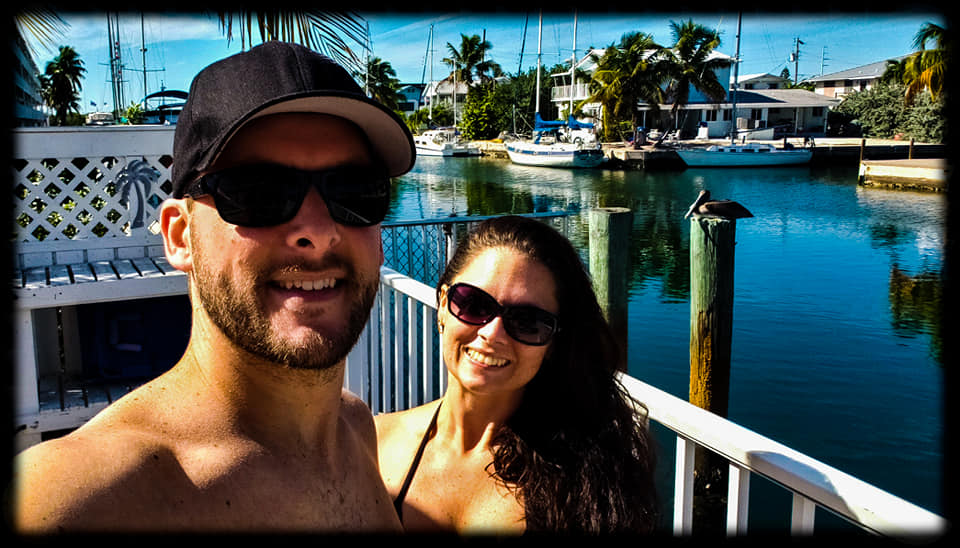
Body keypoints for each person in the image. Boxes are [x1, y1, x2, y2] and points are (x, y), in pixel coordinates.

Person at [12, 40, 416, 533]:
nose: (318, 230)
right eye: (258, 193)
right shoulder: (75, 497)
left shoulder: (354, 427)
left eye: (355, 191)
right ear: (180, 236)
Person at [375, 216, 658, 534]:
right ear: (443, 305)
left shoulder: (591, 481)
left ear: (553, 343)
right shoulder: (372, 443)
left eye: (527, 321)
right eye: (474, 304)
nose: (492, 333)